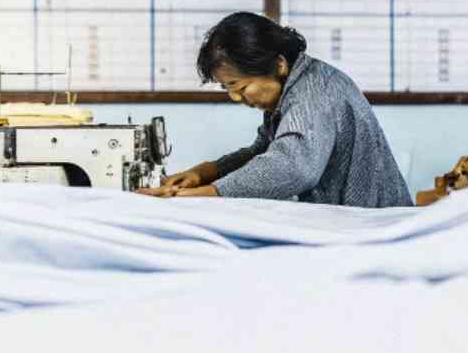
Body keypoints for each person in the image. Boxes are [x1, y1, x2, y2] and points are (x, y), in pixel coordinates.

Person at [140, 12, 412, 207]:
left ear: (278, 64)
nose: (235, 97)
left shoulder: (315, 91)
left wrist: (207, 194)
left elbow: (292, 167)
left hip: (377, 226)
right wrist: (203, 172)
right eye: (227, 88)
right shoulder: (294, 88)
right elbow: (265, 151)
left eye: (240, 86)